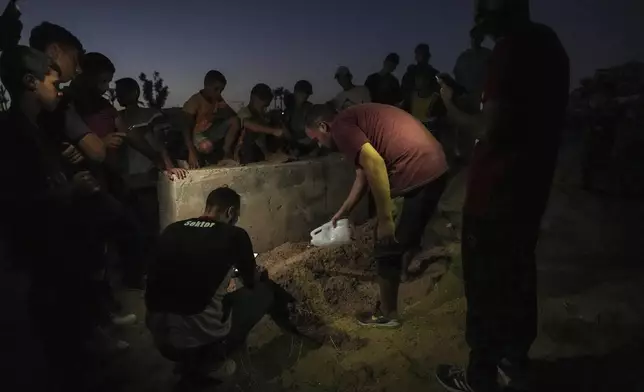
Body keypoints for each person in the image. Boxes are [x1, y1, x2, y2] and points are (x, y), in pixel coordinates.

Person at [434, 0, 570, 390]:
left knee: (485, 291)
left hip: (494, 195)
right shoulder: (550, 45)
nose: (479, 21)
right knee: (517, 281)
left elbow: (488, 128)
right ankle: (514, 365)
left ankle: (480, 378)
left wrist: (449, 106)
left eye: (483, 11)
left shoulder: (511, 49)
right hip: (529, 192)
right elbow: (515, 115)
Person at [0, 45, 101, 391]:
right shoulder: (12, 133)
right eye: (54, 83)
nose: (59, 90)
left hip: (55, 255)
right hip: (38, 261)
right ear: (30, 82)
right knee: (53, 349)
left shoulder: (35, 129)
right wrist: (69, 191)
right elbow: (15, 201)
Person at [305, 103, 449, 328]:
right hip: (436, 164)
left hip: (416, 167)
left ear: (324, 126)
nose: (320, 146)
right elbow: (363, 174)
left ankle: (387, 314)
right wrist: (343, 212)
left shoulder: (341, 128)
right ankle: (402, 275)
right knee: (408, 232)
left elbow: (375, 164)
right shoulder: (352, 121)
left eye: (316, 139)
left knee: (385, 242)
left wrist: (384, 219)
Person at [145, 187, 281, 383]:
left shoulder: (172, 229)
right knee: (263, 293)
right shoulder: (235, 235)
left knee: (192, 299)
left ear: (207, 207)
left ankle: (187, 360)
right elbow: (251, 281)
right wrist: (257, 273)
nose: (235, 221)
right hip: (195, 342)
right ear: (230, 212)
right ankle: (212, 359)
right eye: (236, 216)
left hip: (160, 338)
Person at [29, 22, 108, 165]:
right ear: (53, 51)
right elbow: (98, 152)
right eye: (75, 60)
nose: (78, 70)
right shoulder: (59, 103)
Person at [182, 70, 240, 168]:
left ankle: (226, 153)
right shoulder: (194, 101)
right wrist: (191, 152)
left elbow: (233, 116)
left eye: (221, 90)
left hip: (211, 130)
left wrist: (224, 108)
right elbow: (186, 128)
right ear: (206, 86)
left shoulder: (217, 98)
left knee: (235, 121)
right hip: (197, 134)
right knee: (207, 146)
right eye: (216, 89)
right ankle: (201, 155)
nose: (218, 93)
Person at [452, 28, 493, 161]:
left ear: (482, 38)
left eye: (479, 37)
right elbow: (457, 76)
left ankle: (479, 155)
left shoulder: (488, 55)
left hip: (481, 97)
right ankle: (462, 155)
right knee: (463, 127)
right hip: (465, 97)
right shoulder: (464, 57)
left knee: (480, 127)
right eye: (474, 37)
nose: (476, 39)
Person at [235, 83, 286, 164]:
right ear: (253, 98)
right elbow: (250, 125)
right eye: (263, 105)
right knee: (252, 130)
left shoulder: (262, 117)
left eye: (266, 106)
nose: (264, 108)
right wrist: (273, 131)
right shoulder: (244, 112)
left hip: (261, 152)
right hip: (245, 152)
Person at [283, 80, 318, 156]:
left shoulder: (309, 107)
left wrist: (309, 146)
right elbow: (285, 131)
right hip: (294, 144)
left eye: (307, 93)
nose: (305, 95)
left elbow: (317, 132)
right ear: (295, 92)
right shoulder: (289, 110)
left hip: (309, 143)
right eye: (302, 92)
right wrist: (294, 145)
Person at [401, 43, 439, 110]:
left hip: (427, 110)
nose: (418, 56)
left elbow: (437, 92)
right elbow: (404, 91)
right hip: (411, 109)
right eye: (417, 54)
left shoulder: (434, 74)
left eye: (421, 53)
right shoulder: (410, 72)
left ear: (427, 56)